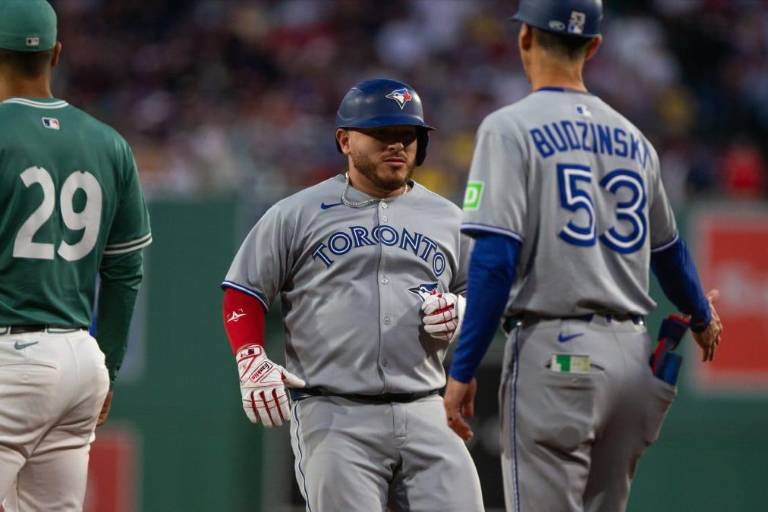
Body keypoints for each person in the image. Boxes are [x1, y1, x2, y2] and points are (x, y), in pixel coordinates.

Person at [443, 1, 723, 511]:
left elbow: (495, 260)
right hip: (630, 362)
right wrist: (702, 315)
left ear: (524, 37)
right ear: (593, 46)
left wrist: (462, 370)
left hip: (557, 354)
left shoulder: (509, 128)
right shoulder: (636, 141)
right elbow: (668, 249)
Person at [221, 78, 484, 511]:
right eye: (381, 135)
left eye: (407, 136)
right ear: (345, 140)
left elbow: (477, 292)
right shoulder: (295, 213)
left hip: (426, 407)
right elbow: (244, 290)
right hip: (334, 413)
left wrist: (464, 310)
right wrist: (249, 354)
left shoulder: (448, 217)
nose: (397, 146)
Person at [0, 1, 152, 510]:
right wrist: (106, 365)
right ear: (56, 53)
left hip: (10, 358)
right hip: (78, 363)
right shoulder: (109, 144)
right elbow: (125, 271)